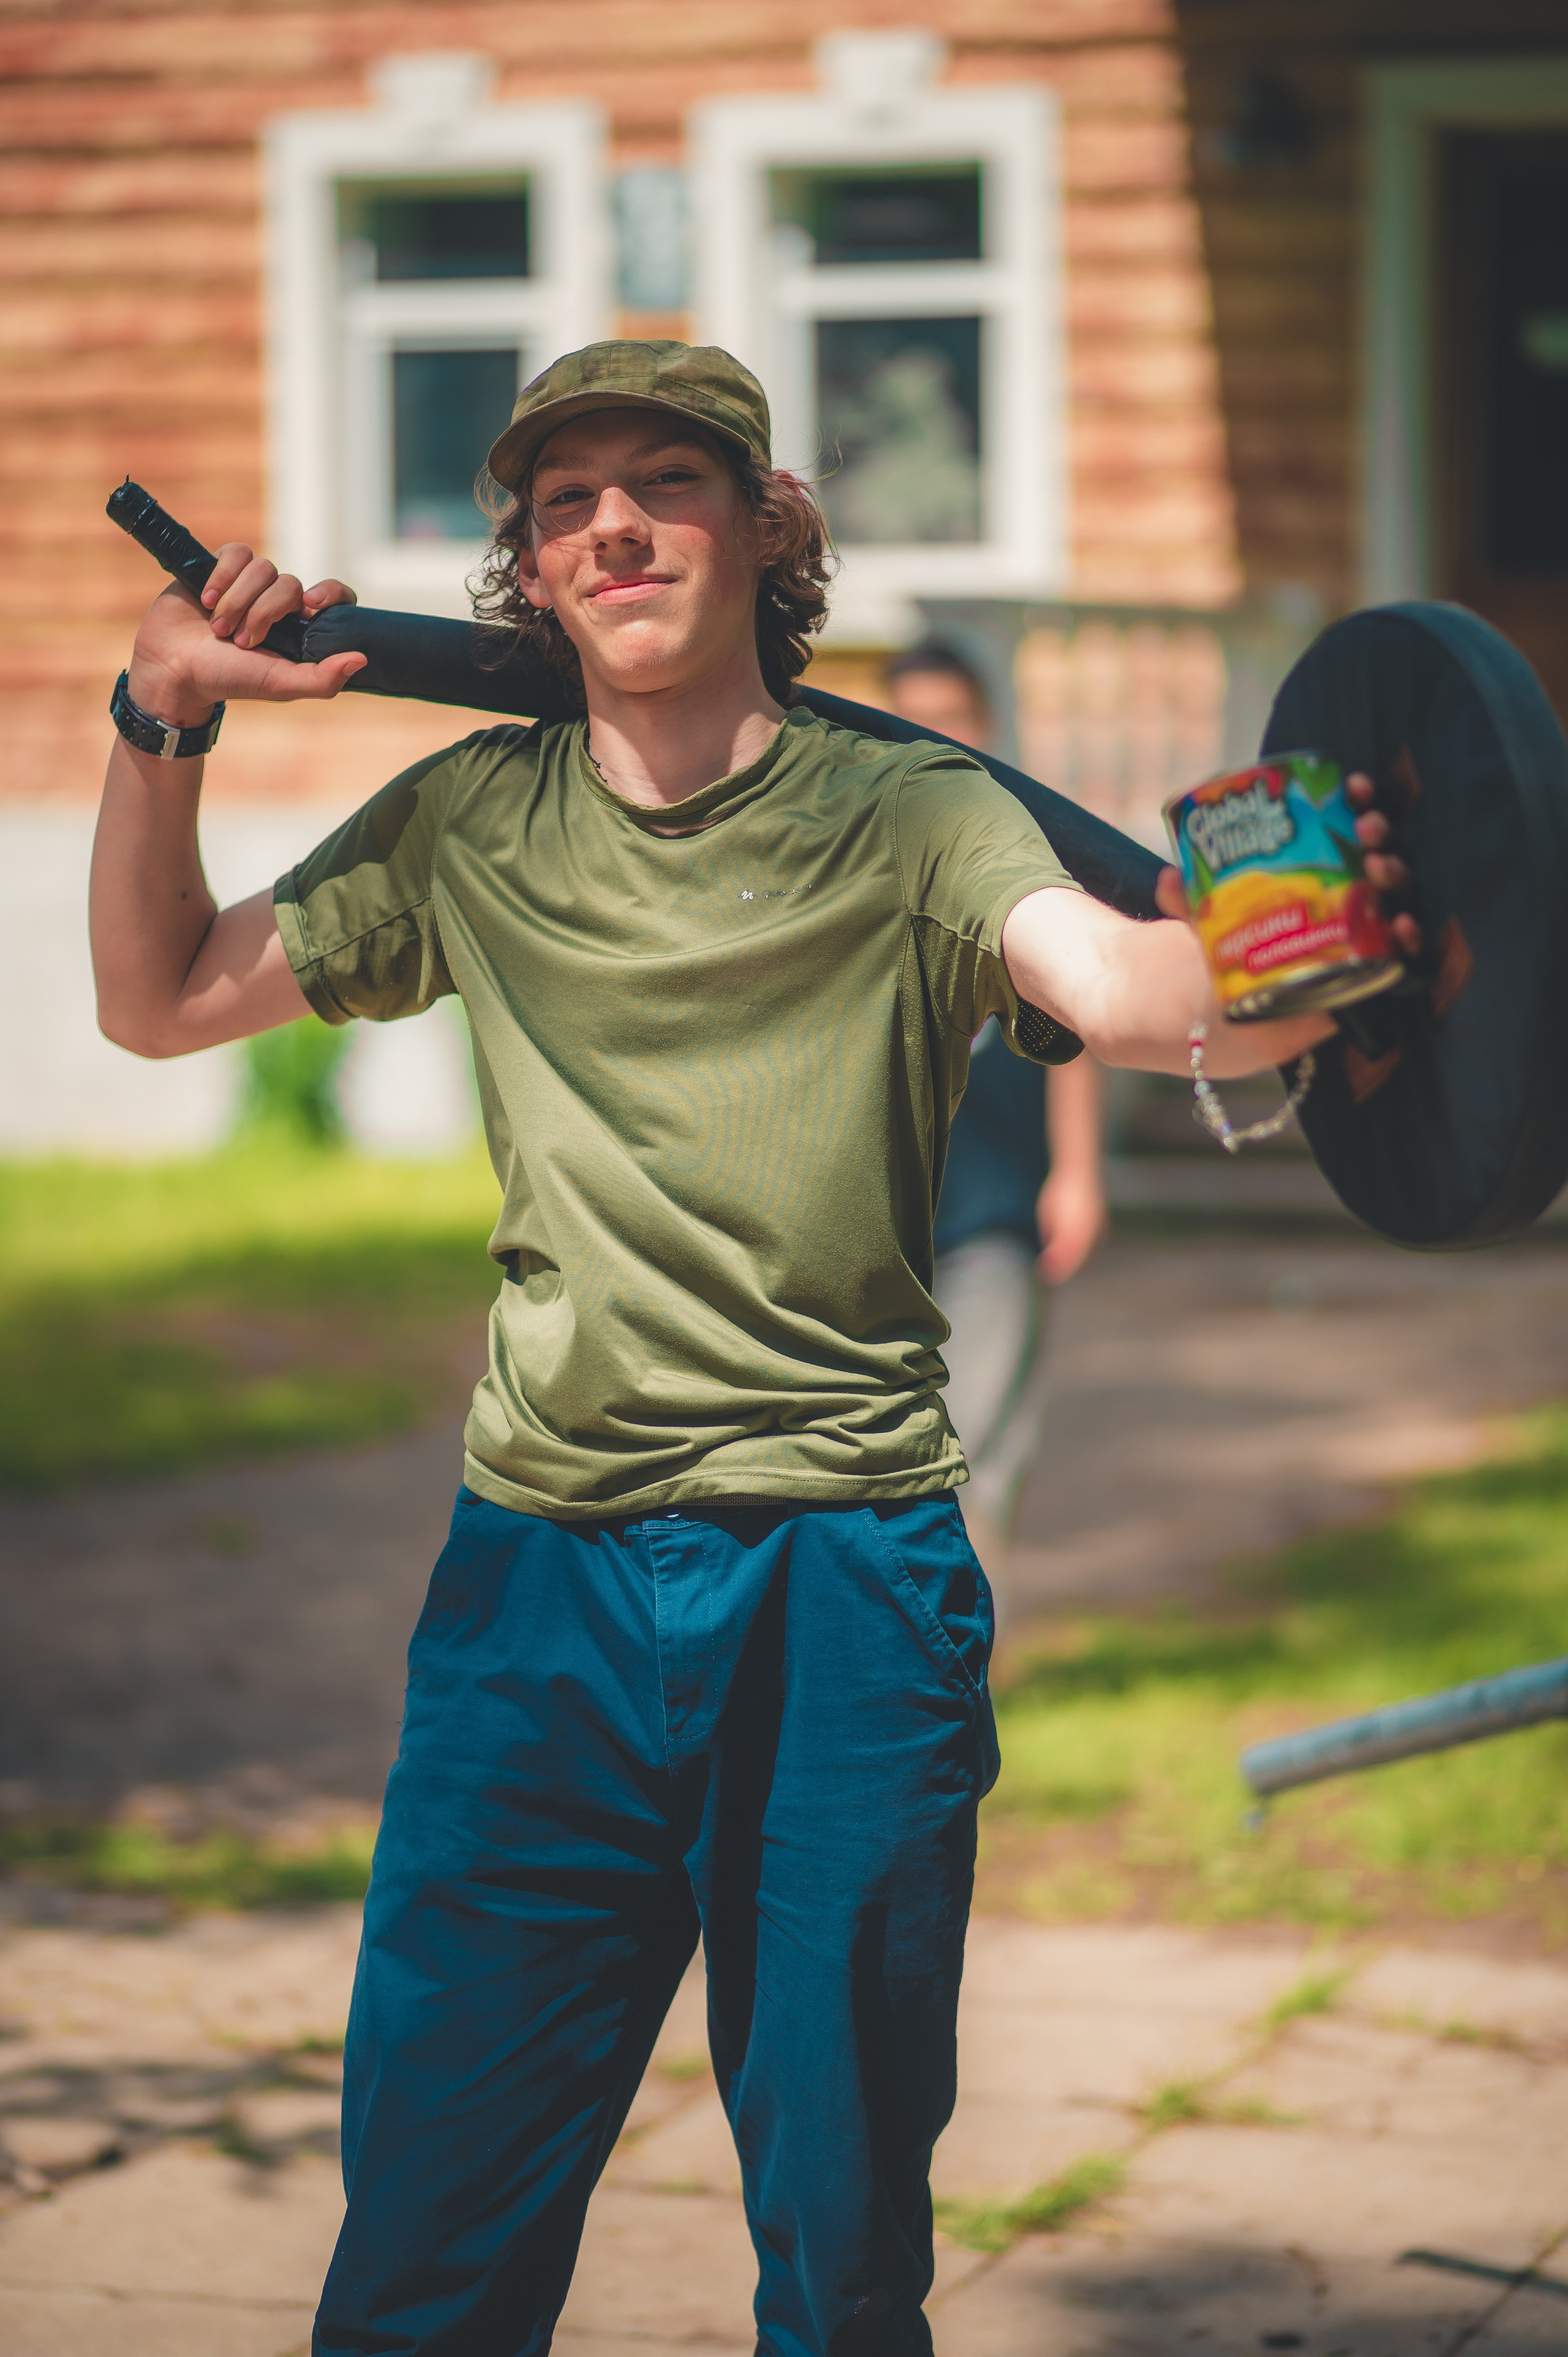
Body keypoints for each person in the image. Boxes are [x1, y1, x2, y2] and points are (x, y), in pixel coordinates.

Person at [88, 341, 1415, 2357]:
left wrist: (1325, 926)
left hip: (842, 1586)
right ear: (529, 568)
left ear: (766, 523)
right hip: (536, 1601)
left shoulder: (913, 813)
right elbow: (161, 995)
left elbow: (1141, 988)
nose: (610, 522)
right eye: (561, 499)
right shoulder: (468, 820)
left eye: (666, 481)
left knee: (844, 2238)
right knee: (429, 2237)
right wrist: (156, 711)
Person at [885, 643, 1104, 1607]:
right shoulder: (858, 847)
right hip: (879, 1207)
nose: (936, 730)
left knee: (985, 1433)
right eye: (914, 712)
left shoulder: (1032, 845)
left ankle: (972, 1653)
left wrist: (1080, 1174)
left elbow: (1084, 1021)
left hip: (998, 1197)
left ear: (985, 721)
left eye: (954, 713)